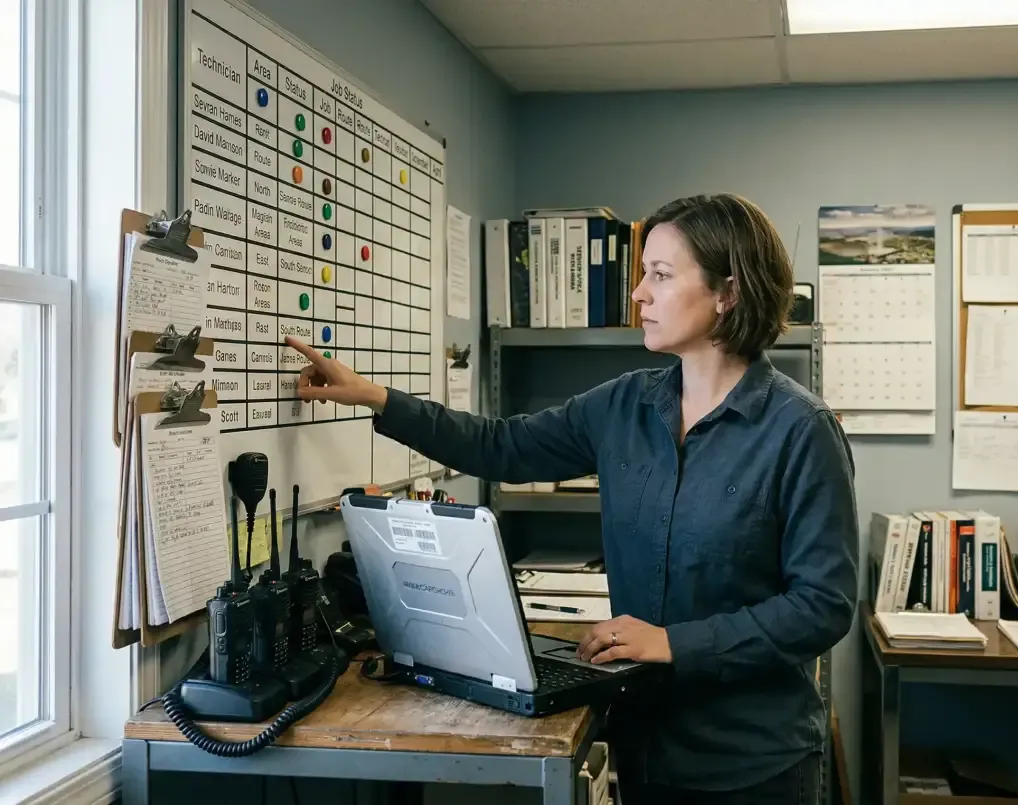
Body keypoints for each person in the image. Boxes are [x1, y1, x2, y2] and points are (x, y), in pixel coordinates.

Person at [283, 193, 858, 805]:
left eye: (661, 275)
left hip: (753, 764)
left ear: (729, 292)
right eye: (643, 273)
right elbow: (502, 447)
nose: (638, 293)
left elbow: (822, 606)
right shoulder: (624, 405)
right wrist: (377, 398)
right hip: (644, 745)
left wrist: (672, 642)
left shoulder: (802, 430)